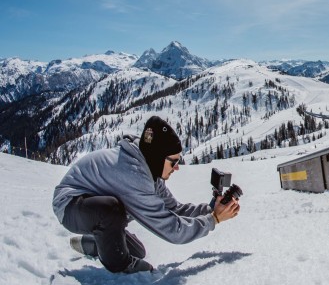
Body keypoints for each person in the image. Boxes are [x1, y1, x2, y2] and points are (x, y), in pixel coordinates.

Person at [52, 116, 240, 274]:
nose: (177, 167)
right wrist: (213, 220)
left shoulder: (148, 168)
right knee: (111, 210)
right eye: (173, 161)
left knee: (137, 251)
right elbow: (172, 230)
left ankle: (94, 244)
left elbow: (174, 209)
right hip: (70, 205)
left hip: (89, 206)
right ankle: (119, 267)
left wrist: (210, 209)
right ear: (158, 157)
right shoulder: (134, 176)